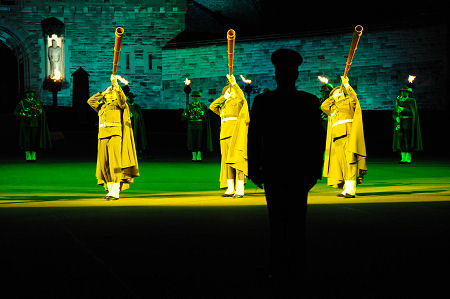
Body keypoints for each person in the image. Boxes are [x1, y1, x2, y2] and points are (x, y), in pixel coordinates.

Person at [248, 48, 325, 294]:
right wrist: (315, 171)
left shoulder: (264, 102)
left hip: (274, 169)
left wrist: (253, 169)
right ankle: (297, 270)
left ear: (276, 75)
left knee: (277, 223)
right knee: (297, 223)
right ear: (296, 75)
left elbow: (253, 138)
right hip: (298, 171)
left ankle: (277, 269)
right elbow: (317, 142)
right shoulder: (309, 102)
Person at [87, 74, 139, 200]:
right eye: (108, 93)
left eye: (112, 93)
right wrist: (101, 92)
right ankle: (110, 190)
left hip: (115, 135)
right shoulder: (101, 107)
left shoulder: (119, 105)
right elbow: (90, 101)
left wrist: (115, 86)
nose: (110, 94)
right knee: (104, 163)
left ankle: (115, 190)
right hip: (103, 136)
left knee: (115, 162)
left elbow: (123, 99)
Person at [321, 76, 367, 198]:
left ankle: (351, 190)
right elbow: (323, 107)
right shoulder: (332, 107)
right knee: (341, 164)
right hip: (336, 138)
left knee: (350, 162)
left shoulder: (348, 101)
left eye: (339, 91)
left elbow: (354, 98)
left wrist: (346, 85)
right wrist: (333, 98)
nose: (338, 92)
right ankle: (345, 189)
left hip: (348, 135)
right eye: (336, 92)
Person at [209, 74, 249, 197]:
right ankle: (230, 188)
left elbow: (242, 98)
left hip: (236, 134)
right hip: (224, 136)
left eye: (230, 91)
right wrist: (223, 97)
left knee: (237, 161)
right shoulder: (224, 106)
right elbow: (212, 107)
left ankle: (240, 188)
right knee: (226, 162)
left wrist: (235, 84)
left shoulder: (238, 101)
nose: (229, 92)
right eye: (227, 91)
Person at [13, 88, 52, 161]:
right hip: (25, 124)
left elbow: (41, 113)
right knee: (27, 139)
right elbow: (15, 112)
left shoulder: (37, 102)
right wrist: (22, 114)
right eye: (28, 93)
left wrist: (40, 113)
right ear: (26, 94)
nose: (30, 94)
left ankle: (33, 153)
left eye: (31, 93)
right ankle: (27, 154)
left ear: (34, 94)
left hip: (35, 123)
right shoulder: (22, 102)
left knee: (34, 139)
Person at [392, 85, 422, 163]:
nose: (403, 93)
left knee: (408, 139)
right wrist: (396, 118)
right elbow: (395, 112)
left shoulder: (411, 101)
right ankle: (403, 157)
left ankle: (408, 157)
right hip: (400, 122)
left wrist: (403, 109)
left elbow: (412, 112)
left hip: (407, 122)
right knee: (401, 139)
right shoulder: (398, 100)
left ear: (408, 93)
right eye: (402, 91)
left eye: (404, 91)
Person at [181, 90, 212, 161]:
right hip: (191, 124)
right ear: (192, 97)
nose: (195, 98)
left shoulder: (202, 106)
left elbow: (206, 117)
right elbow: (184, 115)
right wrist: (188, 117)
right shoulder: (189, 106)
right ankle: (193, 154)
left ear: (199, 97)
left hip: (199, 124)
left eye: (197, 96)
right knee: (192, 140)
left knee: (199, 139)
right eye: (194, 96)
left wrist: (202, 115)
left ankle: (199, 154)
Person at [123, 86, 148, 158]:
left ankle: (138, 152)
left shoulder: (137, 107)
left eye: (132, 97)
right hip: (128, 126)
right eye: (129, 97)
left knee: (138, 138)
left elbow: (139, 117)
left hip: (136, 127)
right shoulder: (125, 106)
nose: (131, 99)